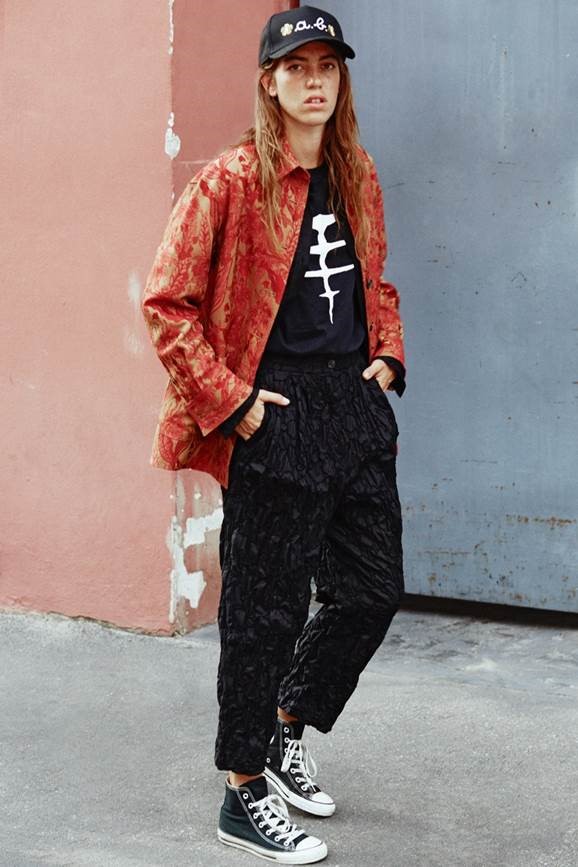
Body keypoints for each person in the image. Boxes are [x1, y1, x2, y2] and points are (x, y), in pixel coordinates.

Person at [142, 6, 406, 863]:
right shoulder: (228, 181)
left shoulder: (357, 172)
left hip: (351, 404)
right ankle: (243, 789)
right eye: (297, 68)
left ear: (341, 79)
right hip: (272, 406)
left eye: (327, 66)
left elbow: (377, 279)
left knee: (370, 590)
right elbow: (167, 303)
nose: (314, 81)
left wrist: (389, 353)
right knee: (264, 611)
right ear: (270, 82)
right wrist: (233, 403)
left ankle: (287, 725)